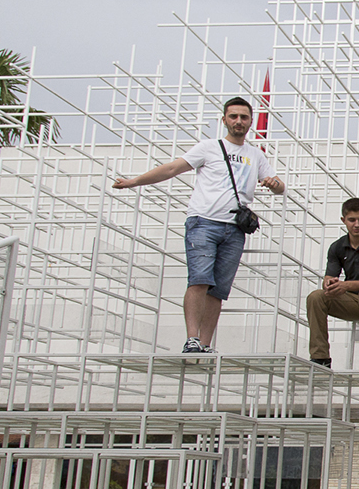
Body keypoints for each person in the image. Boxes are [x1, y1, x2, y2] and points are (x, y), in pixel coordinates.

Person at [113, 97, 284, 353]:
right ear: (224, 119)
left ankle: (205, 343)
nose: (239, 121)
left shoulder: (255, 155)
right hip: (204, 222)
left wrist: (274, 184)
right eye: (234, 116)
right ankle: (192, 338)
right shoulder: (209, 147)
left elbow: (279, 186)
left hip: (235, 228)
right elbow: (172, 168)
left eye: (244, 117)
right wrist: (133, 182)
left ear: (250, 122)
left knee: (218, 289)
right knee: (199, 280)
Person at [306, 197, 359, 369]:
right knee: (315, 297)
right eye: (352, 220)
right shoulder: (337, 247)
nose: (357, 224)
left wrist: (345, 285)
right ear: (343, 220)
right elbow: (329, 276)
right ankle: (320, 356)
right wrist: (331, 285)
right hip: (352, 302)